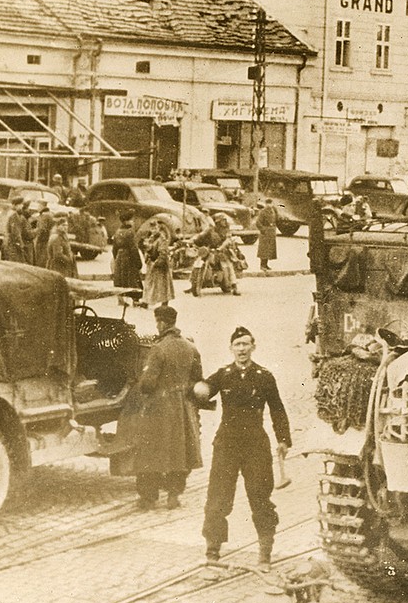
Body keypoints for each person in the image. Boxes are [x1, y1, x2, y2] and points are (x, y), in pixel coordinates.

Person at [200, 326, 291, 570]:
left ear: (253, 346)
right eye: (237, 345)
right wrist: (199, 390)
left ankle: (265, 554)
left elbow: (277, 408)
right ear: (231, 349)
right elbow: (204, 390)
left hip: (255, 445)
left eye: (245, 344)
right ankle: (212, 551)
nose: (241, 349)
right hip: (227, 444)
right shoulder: (223, 375)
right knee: (218, 497)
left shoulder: (264, 376)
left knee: (260, 497)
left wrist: (283, 439)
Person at [118, 305, 203, 510]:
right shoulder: (190, 347)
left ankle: (148, 497)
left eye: (157, 322)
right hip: (183, 407)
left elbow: (148, 384)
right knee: (180, 450)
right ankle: (174, 495)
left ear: (162, 323)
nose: (157, 326)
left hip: (159, 407)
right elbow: (198, 378)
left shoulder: (158, 349)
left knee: (149, 451)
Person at [112, 211, 143, 306]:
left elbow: (114, 249)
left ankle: (120, 300)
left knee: (120, 279)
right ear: (126, 222)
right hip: (129, 258)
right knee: (133, 279)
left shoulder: (117, 232)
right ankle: (136, 300)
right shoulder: (130, 232)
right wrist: (139, 263)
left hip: (119, 257)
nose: (133, 222)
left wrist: (117, 258)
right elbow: (133, 248)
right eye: (131, 220)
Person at [141, 231, 174, 309]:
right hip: (151, 264)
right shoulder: (151, 238)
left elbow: (163, 253)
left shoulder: (162, 239)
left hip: (159, 266)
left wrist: (158, 262)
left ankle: (164, 302)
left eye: (155, 227)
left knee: (162, 285)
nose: (153, 230)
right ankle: (146, 301)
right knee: (149, 284)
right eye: (152, 227)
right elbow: (147, 249)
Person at [4, 196, 33, 264]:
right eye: (21, 204)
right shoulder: (14, 215)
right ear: (16, 205)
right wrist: (21, 245)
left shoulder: (10, 213)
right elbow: (16, 233)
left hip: (9, 243)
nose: (22, 206)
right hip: (14, 245)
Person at [255, 198, 278, 272]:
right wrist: (263, 230)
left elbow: (276, 219)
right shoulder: (263, 212)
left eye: (271, 203)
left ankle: (266, 265)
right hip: (265, 232)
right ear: (266, 204)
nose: (269, 205)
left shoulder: (274, 210)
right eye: (268, 203)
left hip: (271, 232)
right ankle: (262, 265)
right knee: (264, 250)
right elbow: (258, 222)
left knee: (269, 250)